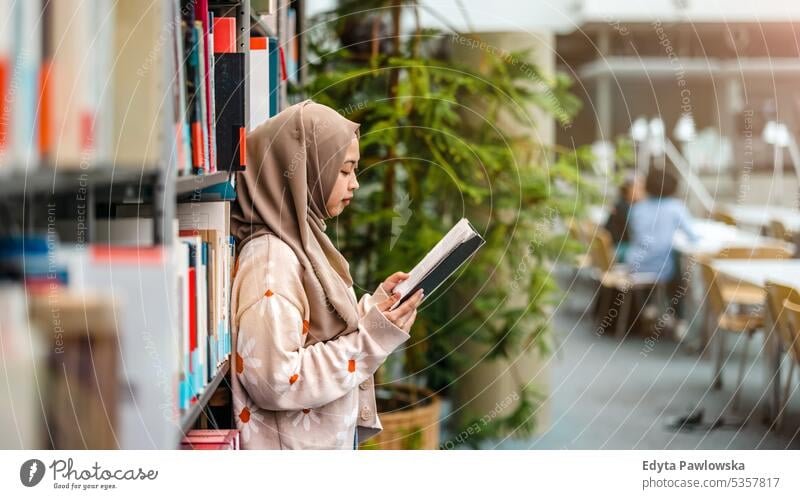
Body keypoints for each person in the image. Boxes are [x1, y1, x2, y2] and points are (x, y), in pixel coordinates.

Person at [229, 100, 423, 449]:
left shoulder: (302, 241)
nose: (355, 184)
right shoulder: (271, 261)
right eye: (345, 170)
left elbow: (313, 334)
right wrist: (371, 340)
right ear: (305, 171)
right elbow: (275, 380)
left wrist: (375, 311)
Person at [624, 166, 698, 282]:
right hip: (661, 269)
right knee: (679, 262)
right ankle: (674, 299)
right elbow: (692, 236)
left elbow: (635, 235)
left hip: (634, 265)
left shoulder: (636, 208)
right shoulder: (675, 207)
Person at [604, 172, 644, 261]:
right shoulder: (626, 208)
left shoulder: (620, 203)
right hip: (618, 248)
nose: (643, 192)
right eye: (639, 188)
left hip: (612, 246)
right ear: (629, 189)